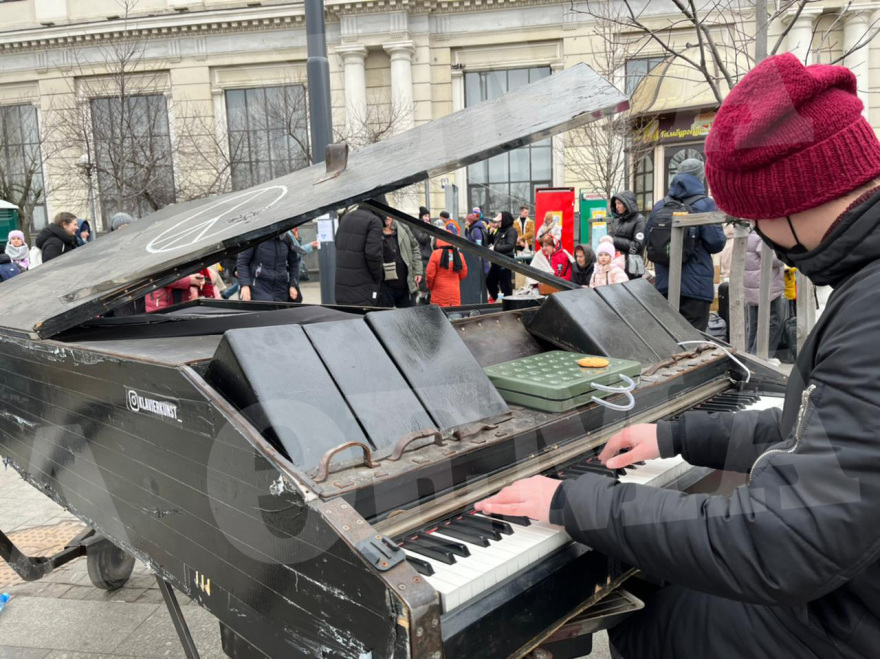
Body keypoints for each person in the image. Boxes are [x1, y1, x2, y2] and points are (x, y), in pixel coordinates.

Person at [477, 52, 880, 659]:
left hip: (845, 622)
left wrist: (572, 501)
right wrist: (676, 438)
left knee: (651, 614)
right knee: (659, 576)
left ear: (789, 201)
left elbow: (781, 543)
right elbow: (804, 432)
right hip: (850, 593)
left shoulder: (871, 312)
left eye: (751, 216)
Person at [645, 158, 726, 331]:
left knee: (670, 340)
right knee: (694, 343)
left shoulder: (660, 205)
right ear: (700, 176)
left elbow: (647, 240)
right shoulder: (705, 204)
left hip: (665, 286)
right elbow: (716, 243)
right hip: (696, 288)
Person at [745, 228, 787, 357]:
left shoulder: (749, 234)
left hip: (753, 287)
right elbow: (774, 259)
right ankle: (762, 356)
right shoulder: (762, 236)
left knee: (754, 325)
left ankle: (750, 357)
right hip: (767, 287)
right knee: (773, 321)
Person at [335, 202, 385, 306]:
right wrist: (378, 276)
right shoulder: (374, 221)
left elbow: (337, 243)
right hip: (363, 286)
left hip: (342, 285)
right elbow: (373, 254)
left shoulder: (345, 218)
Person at [236, 234, 301, 303]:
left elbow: (294, 263)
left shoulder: (286, 238)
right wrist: (245, 285)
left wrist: (293, 285)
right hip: (257, 288)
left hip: (281, 289)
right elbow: (242, 262)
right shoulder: (254, 236)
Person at [379, 215, 422, 308]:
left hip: (406, 286)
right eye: (383, 215)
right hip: (385, 287)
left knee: (409, 319)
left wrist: (418, 271)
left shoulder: (402, 227)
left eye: (388, 215)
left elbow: (415, 247)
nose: (386, 217)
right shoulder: (375, 230)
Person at [609, 191, 646, 279]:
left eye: (619, 203)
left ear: (627, 204)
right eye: (615, 204)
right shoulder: (618, 220)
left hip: (631, 267)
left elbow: (637, 246)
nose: (617, 206)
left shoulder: (639, 220)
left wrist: (614, 240)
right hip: (616, 264)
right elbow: (611, 235)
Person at [426, 238, 467, 307]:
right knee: (455, 315)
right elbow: (464, 273)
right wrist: (455, 279)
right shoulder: (459, 255)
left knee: (439, 317)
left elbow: (430, 275)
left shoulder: (435, 254)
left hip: (438, 295)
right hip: (454, 295)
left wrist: (430, 287)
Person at [486, 211, 517, 300]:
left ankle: (508, 302)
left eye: (499, 221)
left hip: (505, 260)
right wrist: (490, 233)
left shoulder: (511, 231)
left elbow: (510, 246)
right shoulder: (499, 231)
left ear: (504, 221)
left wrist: (495, 248)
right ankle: (494, 297)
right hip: (496, 260)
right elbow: (491, 242)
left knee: (505, 284)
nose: (497, 223)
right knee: (490, 280)